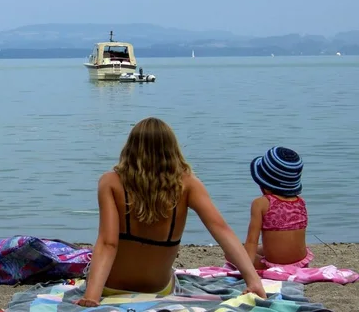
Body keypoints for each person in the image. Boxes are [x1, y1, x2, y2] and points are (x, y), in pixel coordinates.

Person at [77, 117, 266, 307]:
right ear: (172, 149)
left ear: (130, 147)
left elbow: (108, 243)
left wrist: (92, 296)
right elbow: (221, 230)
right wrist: (253, 280)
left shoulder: (110, 182)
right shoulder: (188, 184)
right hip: (157, 288)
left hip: (112, 286)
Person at [239, 146, 312, 269]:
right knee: (261, 249)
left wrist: (246, 270)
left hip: (275, 266)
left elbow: (252, 241)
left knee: (233, 253)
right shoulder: (301, 202)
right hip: (302, 264)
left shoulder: (260, 203)